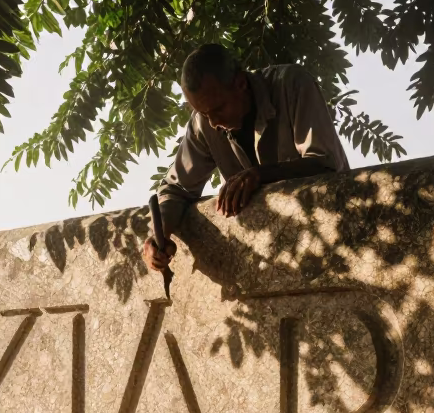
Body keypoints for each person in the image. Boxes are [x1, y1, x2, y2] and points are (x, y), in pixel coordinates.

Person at [143, 43, 350, 274]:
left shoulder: (292, 85)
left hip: (333, 240)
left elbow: (326, 163)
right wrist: (160, 233)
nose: (212, 122)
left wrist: (261, 175)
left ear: (241, 84)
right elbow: (175, 189)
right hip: (270, 260)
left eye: (218, 109)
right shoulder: (204, 124)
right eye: (203, 114)